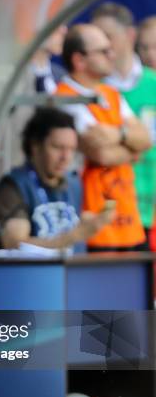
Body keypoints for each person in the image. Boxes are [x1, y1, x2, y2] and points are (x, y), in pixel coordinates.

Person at [56, 24, 150, 251]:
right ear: (79, 60)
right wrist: (131, 148)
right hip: (91, 223)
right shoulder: (65, 98)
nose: (112, 55)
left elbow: (146, 139)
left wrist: (118, 134)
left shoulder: (111, 94)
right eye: (103, 51)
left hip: (127, 221)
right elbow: (103, 154)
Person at [0, 107, 114, 251]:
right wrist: (75, 235)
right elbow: (16, 245)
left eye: (71, 149)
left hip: (73, 271)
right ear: (35, 146)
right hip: (33, 273)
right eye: (58, 147)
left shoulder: (74, 184)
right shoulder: (11, 188)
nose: (65, 157)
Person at [91, 3, 156, 241]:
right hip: (111, 212)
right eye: (97, 38)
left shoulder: (153, 82)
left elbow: (145, 141)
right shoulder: (94, 90)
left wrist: (118, 138)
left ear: (130, 35)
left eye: (108, 36)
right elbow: (98, 150)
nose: (103, 46)